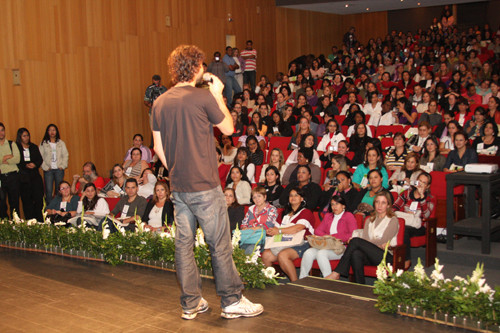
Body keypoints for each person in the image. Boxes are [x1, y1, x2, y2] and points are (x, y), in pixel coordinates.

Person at [151, 45, 262, 319]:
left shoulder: (160, 102)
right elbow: (228, 128)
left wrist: (176, 170)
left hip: (179, 186)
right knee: (219, 244)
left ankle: (191, 303)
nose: (204, 68)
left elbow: (157, 148)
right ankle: (232, 300)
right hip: (205, 185)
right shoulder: (202, 97)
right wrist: (218, 93)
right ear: (196, 67)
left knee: (183, 245)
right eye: (201, 64)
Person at [326, 192, 399, 284]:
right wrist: (365, 243)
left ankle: (337, 272)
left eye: (383, 203)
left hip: (385, 256)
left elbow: (384, 240)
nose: (379, 205)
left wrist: (364, 243)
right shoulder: (369, 220)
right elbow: (366, 240)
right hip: (370, 254)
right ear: (374, 203)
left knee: (356, 241)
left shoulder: (393, 220)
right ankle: (359, 286)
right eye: (377, 202)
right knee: (356, 253)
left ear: (388, 205)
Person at [262, 187, 315, 282]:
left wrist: (279, 231)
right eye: (291, 195)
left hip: (303, 243)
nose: (293, 197)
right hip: (284, 242)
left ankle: (295, 283)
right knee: (266, 255)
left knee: (283, 255)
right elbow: (276, 228)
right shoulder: (284, 213)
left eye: (296, 195)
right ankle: (271, 281)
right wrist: (271, 231)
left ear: (302, 198)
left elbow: (297, 228)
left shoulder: (306, 212)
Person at [299, 195, 357, 279]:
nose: (334, 207)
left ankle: (328, 282)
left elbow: (352, 234)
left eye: (337, 204)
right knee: (308, 253)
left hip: (341, 247)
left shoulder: (349, 216)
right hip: (326, 245)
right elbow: (318, 231)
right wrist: (327, 237)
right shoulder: (328, 216)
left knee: (321, 254)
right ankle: (302, 278)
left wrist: (332, 237)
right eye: (332, 204)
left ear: (343, 206)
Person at [393, 172, 435, 269]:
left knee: (404, 230)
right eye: (419, 181)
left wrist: (422, 197)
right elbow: (394, 207)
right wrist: (405, 214)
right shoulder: (407, 193)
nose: (420, 184)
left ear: (428, 186)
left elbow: (426, 215)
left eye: (424, 183)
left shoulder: (429, 198)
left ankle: (406, 259)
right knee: (399, 227)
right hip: (405, 221)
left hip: (419, 226)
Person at [15, 128, 44, 222]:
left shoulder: (33, 147)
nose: (26, 138)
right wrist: (25, 165)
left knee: (38, 199)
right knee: (27, 201)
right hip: (24, 177)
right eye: (24, 136)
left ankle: (39, 221)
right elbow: (16, 161)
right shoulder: (17, 147)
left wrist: (34, 164)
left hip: (35, 175)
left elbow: (40, 159)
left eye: (27, 135)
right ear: (20, 137)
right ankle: (30, 222)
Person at [240, 186, 279, 254]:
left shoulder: (272, 209)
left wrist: (250, 229)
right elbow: (243, 224)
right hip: (248, 238)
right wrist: (254, 228)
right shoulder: (251, 209)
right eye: (254, 197)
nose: (257, 199)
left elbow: (268, 226)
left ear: (265, 197)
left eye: (259, 196)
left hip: (263, 239)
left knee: (250, 249)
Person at [40, 124, 69, 203]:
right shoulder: (44, 143)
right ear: (47, 132)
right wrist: (45, 167)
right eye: (50, 130)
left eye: (54, 130)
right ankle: (49, 210)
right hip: (48, 170)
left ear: (56, 131)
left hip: (59, 170)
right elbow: (40, 157)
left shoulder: (61, 143)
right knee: (48, 191)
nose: (52, 132)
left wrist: (63, 166)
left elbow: (65, 155)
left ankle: (58, 208)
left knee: (59, 191)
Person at [0, 123, 20, 219]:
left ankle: (16, 226)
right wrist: (7, 156)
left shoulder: (12, 144)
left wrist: (4, 160)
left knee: (15, 203)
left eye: (2, 130)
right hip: (1, 177)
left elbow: (17, 159)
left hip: (13, 176)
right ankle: (5, 225)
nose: (1, 133)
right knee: (2, 204)